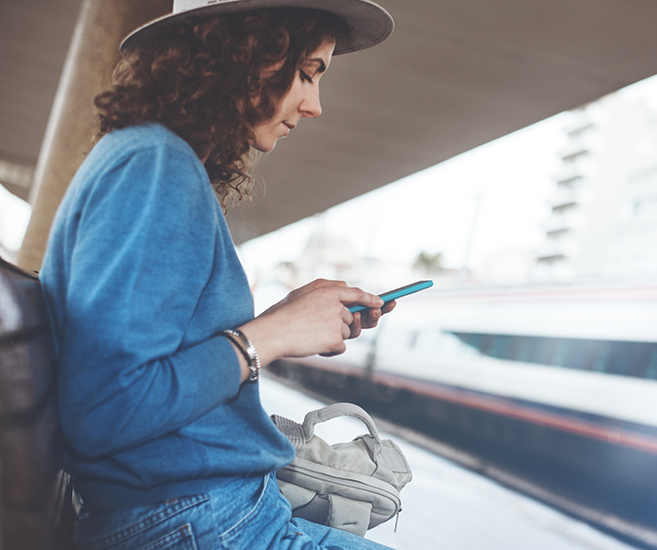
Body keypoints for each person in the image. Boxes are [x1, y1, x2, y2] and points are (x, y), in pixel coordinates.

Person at [38, 1, 398, 548]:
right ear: (242, 53)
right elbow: (106, 410)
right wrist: (271, 336)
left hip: (207, 513)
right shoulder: (155, 165)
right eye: (307, 73)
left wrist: (290, 316)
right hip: (195, 522)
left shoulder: (156, 161)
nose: (314, 104)